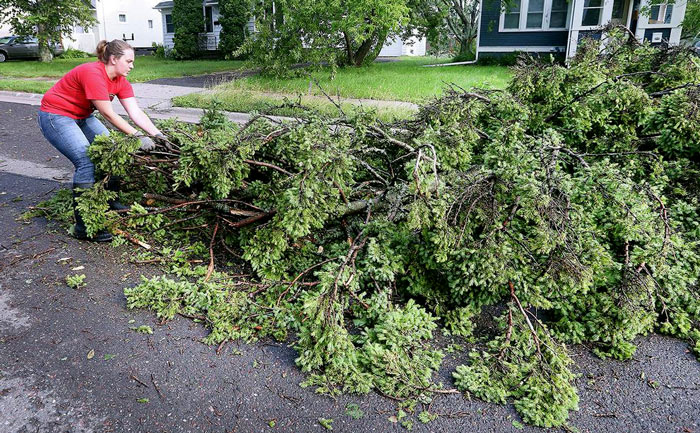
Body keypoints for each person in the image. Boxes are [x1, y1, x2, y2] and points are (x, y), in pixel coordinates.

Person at [38, 39, 165, 242]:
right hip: (57, 115)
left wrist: (158, 135)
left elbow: (135, 112)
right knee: (85, 160)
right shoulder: (93, 73)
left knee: (111, 150)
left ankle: (110, 200)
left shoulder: (120, 81)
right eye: (129, 61)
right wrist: (137, 136)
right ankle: (83, 226)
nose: (132, 66)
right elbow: (109, 114)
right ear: (114, 59)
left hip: (82, 116)